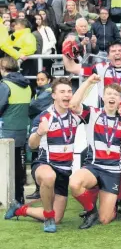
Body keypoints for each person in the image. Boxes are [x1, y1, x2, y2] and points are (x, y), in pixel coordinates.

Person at [4, 78, 81, 233]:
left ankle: (20, 210)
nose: (67, 95)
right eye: (62, 92)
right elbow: (32, 145)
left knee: (58, 217)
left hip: (64, 170)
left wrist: (90, 81)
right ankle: (48, 217)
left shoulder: (75, 115)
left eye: (69, 91)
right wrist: (39, 132)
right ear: (53, 95)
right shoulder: (44, 117)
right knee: (48, 177)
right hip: (44, 164)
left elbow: (82, 97)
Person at [69, 74, 121, 229]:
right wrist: (88, 82)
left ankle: (109, 203)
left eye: (116, 95)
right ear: (103, 97)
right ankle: (90, 209)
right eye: (109, 94)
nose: (112, 97)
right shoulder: (93, 113)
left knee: (105, 219)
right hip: (94, 166)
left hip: (112, 171)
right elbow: (73, 105)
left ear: (120, 100)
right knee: (74, 183)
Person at [63, 41, 121, 116]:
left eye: (120, 50)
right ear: (108, 56)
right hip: (105, 116)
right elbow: (71, 67)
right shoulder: (100, 68)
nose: (117, 53)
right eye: (113, 51)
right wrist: (65, 51)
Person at [0, 56, 32, 205]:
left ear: (2, 68)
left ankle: (6, 198)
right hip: (21, 130)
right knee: (18, 166)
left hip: (5, 129)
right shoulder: (27, 85)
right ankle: (19, 197)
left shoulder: (5, 85)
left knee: (6, 166)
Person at [26, 71, 54, 200]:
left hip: (44, 131)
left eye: (42, 79)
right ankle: (39, 189)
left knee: (38, 160)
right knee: (35, 158)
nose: (39, 82)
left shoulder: (48, 92)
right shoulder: (40, 92)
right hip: (37, 129)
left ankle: (41, 189)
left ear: (49, 80)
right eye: (37, 79)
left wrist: (31, 108)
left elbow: (32, 106)